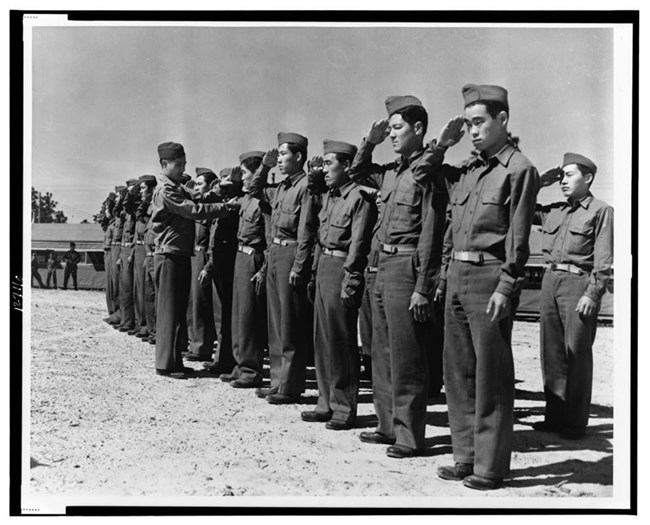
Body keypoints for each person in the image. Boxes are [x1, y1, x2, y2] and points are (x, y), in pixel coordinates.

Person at [430, 84, 539, 490]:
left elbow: (518, 236)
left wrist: (506, 286)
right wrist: (441, 145)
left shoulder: (519, 170)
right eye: (468, 122)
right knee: (457, 373)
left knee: (490, 375)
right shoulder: (468, 170)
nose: (472, 130)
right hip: (457, 277)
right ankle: (465, 457)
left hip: (489, 277)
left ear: (502, 120)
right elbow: (424, 175)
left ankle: (490, 467)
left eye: (479, 122)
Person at [349, 95, 448, 459]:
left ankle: (409, 435)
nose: (391, 135)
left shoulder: (428, 172)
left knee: (407, 356)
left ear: (418, 128)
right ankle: (387, 425)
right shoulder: (390, 172)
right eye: (388, 129)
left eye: (397, 128)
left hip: (408, 268)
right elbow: (357, 173)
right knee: (380, 352)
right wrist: (369, 142)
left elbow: (432, 232)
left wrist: (424, 286)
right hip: (382, 267)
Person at [531, 153, 613, 440]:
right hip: (550, 281)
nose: (563, 181)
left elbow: (603, 260)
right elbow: (517, 206)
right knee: (551, 353)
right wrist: (539, 182)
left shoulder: (601, 211)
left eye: (570, 175)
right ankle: (554, 417)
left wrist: (593, 292)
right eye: (562, 175)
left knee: (576, 354)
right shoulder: (553, 211)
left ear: (588, 178)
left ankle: (575, 423)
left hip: (578, 284)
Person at [301, 139, 376, 430]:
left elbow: (357, 245)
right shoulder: (329, 197)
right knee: (322, 340)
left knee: (342, 341)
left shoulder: (359, 199)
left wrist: (351, 279)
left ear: (347, 166)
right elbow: (318, 235)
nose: (325, 169)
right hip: (324, 267)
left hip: (343, 268)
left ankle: (344, 407)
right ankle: (325, 401)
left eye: (330, 163)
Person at [150, 141, 240, 379]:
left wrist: (220, 188)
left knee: (178, 310)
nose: (182, 168)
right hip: (169, 254)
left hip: (178, 253)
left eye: (184, 164)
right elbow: (193, 210)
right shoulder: (166, 190)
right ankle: (165, 364)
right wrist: (224, 208)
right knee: (169, 310)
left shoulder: (176, 187)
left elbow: (199, 196)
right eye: (177, 164)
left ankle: (174, 361)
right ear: (164, 164)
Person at [249, 132, 318, 404]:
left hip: (291, 254)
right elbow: (254, 190)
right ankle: (277, 382)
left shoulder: (305, 187)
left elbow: (306, 232)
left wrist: (299, 266)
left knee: (290, 324)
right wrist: (264, 167)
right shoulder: (281, 188)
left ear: (299, 156)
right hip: (275, 253)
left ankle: (290, 386)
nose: (279, 159)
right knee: (275, 324)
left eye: (283, 154)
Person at [221, 150, 273, 388]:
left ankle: (251, 370)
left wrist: (263, 269)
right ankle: (239, 364)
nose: (241, 178)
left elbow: (270, 237)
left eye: (244, 173)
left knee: (249, 317)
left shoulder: (264, 201)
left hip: (254, 258)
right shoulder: (244, 200)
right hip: (240, 257)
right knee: (237, 314)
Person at [201, 167, 243, 375]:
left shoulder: (237, 205)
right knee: (220, 313)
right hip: (217, 260)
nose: (225, 185)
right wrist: (209, 265)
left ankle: (228, 359)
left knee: (227, 312)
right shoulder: (222, 205)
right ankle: (222, 358)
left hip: (229, 261)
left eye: (229, 181)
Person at [185, 167, 218, 362]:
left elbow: (212, 239)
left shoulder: (212, 207)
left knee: (201, 303)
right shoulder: (195, 204)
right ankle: (194, 343)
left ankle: (202, 347)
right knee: (192, 302)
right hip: (193, 254)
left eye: (200, 184)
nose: (196, 187)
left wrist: (208, 266)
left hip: (204, 255)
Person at [133, 175, 157, 339]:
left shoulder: (158, 204)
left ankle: (156, 330)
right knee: (147, 295)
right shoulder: (147, 207)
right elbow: (132, 208)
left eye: (142, 188)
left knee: (156, 296)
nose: (140, 192)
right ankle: (150, 328)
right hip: (148, 255)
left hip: (156, 255)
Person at [117, 179, 140, 332]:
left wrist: (130, 195)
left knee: (134, 289)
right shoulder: (127, 213)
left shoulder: (138, 210)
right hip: (124, 250)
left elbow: (136, 236)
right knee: (125, 288)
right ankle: (126, 319)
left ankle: (134, 322)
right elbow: (117, 211)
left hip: (133, 250)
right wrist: (122, 197)